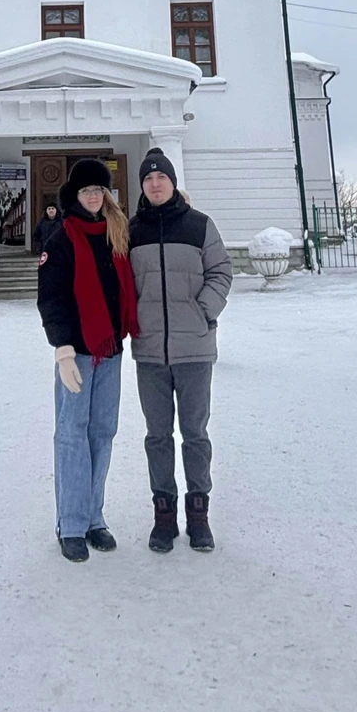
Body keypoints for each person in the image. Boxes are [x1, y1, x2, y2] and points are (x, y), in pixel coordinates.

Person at [129, 148, 232, 554]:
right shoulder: (131, 230)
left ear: (172, 182)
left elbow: (221, 271)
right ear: (142, 186)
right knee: (157, 435)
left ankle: (199, 513)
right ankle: (164, 514)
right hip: (150, 351)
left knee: (194, 434)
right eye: (148, 179)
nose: (155, 184)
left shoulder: (199, 225)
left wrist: (202, 311)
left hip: (194, 350)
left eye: (162, 178)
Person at [36, 158, 139, 563]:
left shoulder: (116, 234)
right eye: (86, 191)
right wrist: (62, 350)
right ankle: (72, 523)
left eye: (99, 190)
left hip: (110, 351)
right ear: (74, 197)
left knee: (102, 432)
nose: (94, 196)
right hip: (76, 354)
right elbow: (52, 299)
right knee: (72, 436)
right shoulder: (62, 238)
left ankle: (95, 516)